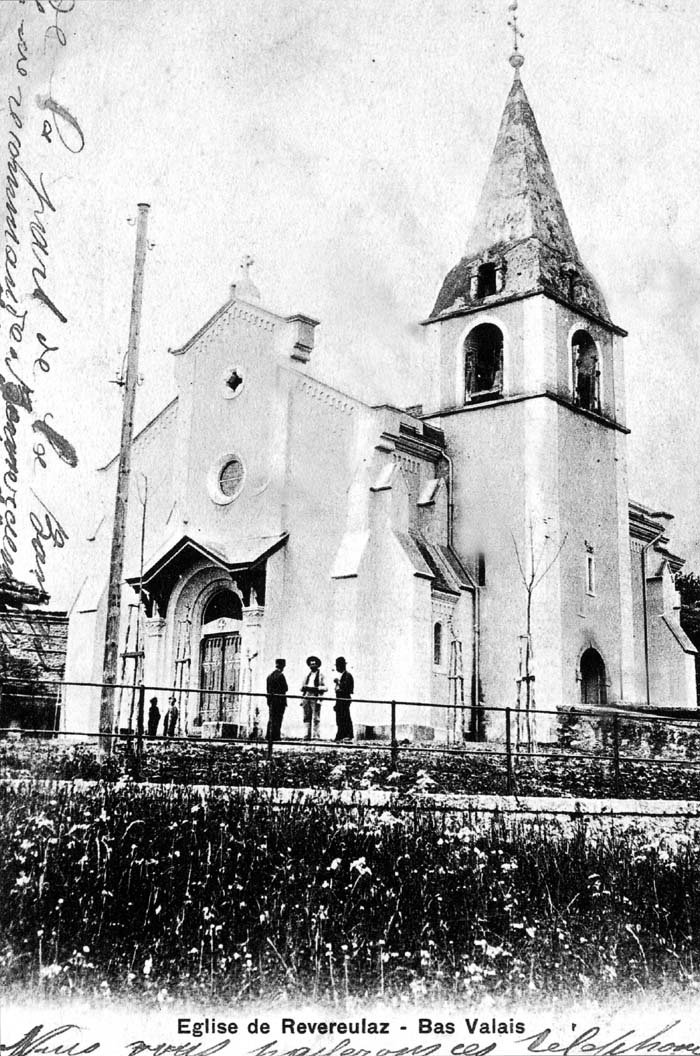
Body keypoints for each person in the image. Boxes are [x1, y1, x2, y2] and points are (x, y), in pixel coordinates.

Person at [300, 655, 326, 740]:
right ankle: (306, 735)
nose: (312, 666)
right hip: (307, 696)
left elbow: (325, 687)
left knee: (316, 717)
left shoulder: (321, 675)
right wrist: (304, 690)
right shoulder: (307, 676)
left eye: (314, 664)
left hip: (315, 697)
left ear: (317, 665)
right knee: (306, 717)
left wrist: (317, 688)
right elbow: (302, 687)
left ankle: (316, 736)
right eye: (311, 664)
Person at [266, 658, 288, 741]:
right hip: (280, 700)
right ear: (283, 666)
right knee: (278, 718)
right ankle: (276, 736)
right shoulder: (281, 675)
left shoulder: (269, 676)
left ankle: (269, 736)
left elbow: (268, 689)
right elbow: (285, 688)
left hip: (271, 700)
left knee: (271, 718)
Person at [333, 657, 354, 742]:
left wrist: (338, 682)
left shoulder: (348, 676)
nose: (336, 668)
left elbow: (346, 688)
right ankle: (341, 735)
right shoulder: (342, 675)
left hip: (344, 699)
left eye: (337, 666)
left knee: (345, 717)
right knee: (339, 718)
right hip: (339, 699)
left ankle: (348, 735)